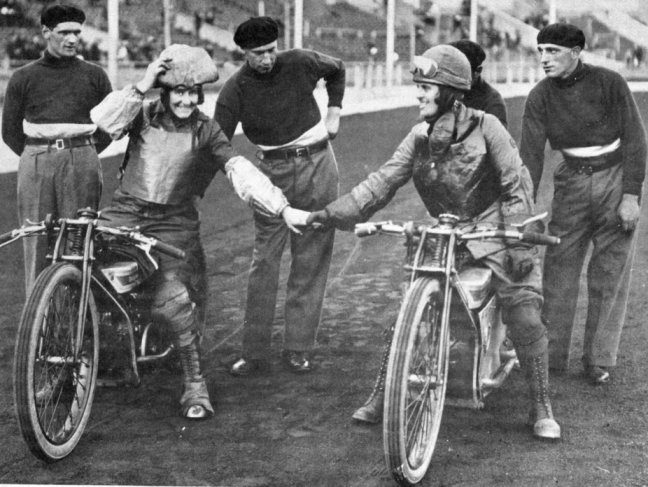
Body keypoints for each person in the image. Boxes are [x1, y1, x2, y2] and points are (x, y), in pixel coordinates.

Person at [308, 45, 561, 439]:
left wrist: (517, 244)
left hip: (496, 233)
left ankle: (541, 404)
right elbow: (381, 182)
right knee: (409, 308)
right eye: (419, 87)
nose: (419, 94)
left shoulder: (488, 127)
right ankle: (386, 391)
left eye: (426, 87)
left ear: (449, 92)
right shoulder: (418, 136)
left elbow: (517, 186)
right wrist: (327, 214)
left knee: (524, 314)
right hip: (446, 234)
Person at [90, 45, 310, 419]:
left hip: (174, 222)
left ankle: (194, 382)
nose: (187, 100)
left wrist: (281, 207)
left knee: (171, 297)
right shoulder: (141, 112)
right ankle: (74, 364)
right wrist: (140, 85)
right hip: (124, 212)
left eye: (193, 93)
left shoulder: (206, 129)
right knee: (84, 269)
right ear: (165, 91)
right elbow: (101, 126)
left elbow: (238, 169)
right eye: (179, 92)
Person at [214, 16, 345, 376]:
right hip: (272, 173)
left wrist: (334, 111)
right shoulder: (235, 89)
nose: (267, 59)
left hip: (318, 163)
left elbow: (337, 69)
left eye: (271, 50)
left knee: (311, 257)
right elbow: (217, 142)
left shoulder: (300, 60)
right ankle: (255, 352)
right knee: (265, 263)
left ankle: (298, 347)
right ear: (244, 53)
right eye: (258, 53)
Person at [519, 23, 647, 385]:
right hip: (571, 182)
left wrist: (631, 195)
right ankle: (551, 356)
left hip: (614, 179)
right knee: (558, 270)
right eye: (541, 51)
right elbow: (530, 156)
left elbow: (636, 139)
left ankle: (598, 358)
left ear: (576, 53)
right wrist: (523, 207)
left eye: (553, 51)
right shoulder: (540, 96)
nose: (544, 58)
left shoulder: (610, 82)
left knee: (608, 274)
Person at [2, 4, 112, 294]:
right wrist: (39, 156)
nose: (72, 39)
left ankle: (79, 317)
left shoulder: (95, 75)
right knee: (37, 241)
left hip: (81, 161)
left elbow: (110, 125)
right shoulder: (24, 77)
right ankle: (38, 318)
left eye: (77, 32)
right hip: (37, 163)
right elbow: (10, 131)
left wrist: (82, 153)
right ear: (46, 32)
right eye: (64, 32)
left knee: (78, 242)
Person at [449, 39, 508, 128]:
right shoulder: (443, 91)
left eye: (459, 72)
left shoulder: (493, 103)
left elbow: (497, 136)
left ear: (477, 72)